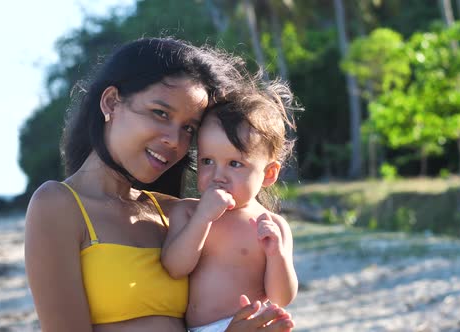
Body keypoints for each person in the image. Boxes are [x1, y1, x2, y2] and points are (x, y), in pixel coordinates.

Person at [24, 37, 295, 332]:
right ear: (111, 102)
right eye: (160, 113)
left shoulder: (179, 215)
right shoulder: (58, 205)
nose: (174, 139)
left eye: (188, 128)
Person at [161, 81, 299, 332]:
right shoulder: (188, 212)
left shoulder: (272, 225)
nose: (218, 175)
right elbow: (174, 267)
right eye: (207, 161)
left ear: (268, 174)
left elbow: (281, 298)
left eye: (235, 164)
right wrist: (202, 219)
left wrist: (276, 254)